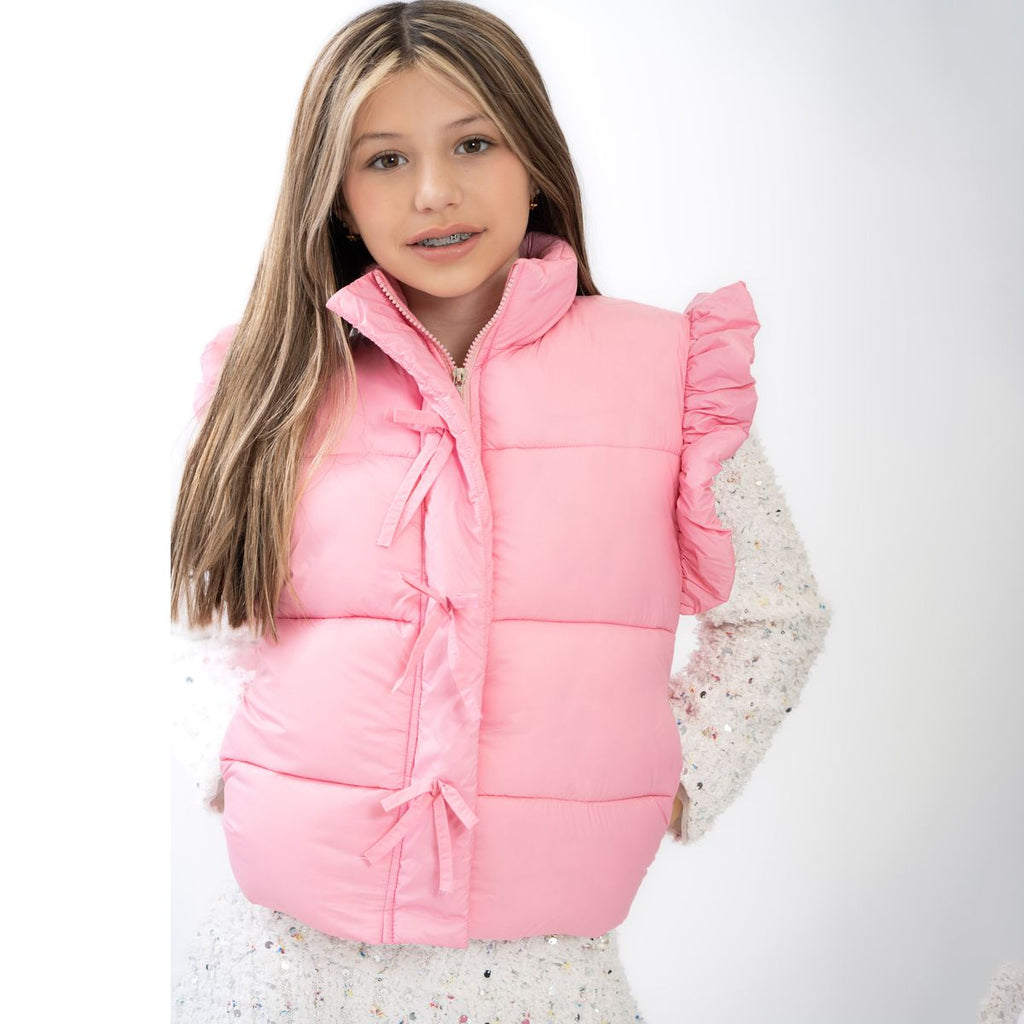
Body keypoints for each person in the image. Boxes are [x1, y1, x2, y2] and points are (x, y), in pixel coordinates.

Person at [169, 2, 833, 1020]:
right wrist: (231, 762)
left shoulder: (666, 374)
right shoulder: (275, 381)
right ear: (336, 195)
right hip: (276, 965)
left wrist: (677, 773)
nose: (434, 191)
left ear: (534, 157)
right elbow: (200, 611)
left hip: (544, 977)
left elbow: (776, 613)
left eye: (473, 143)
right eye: (384, 159)